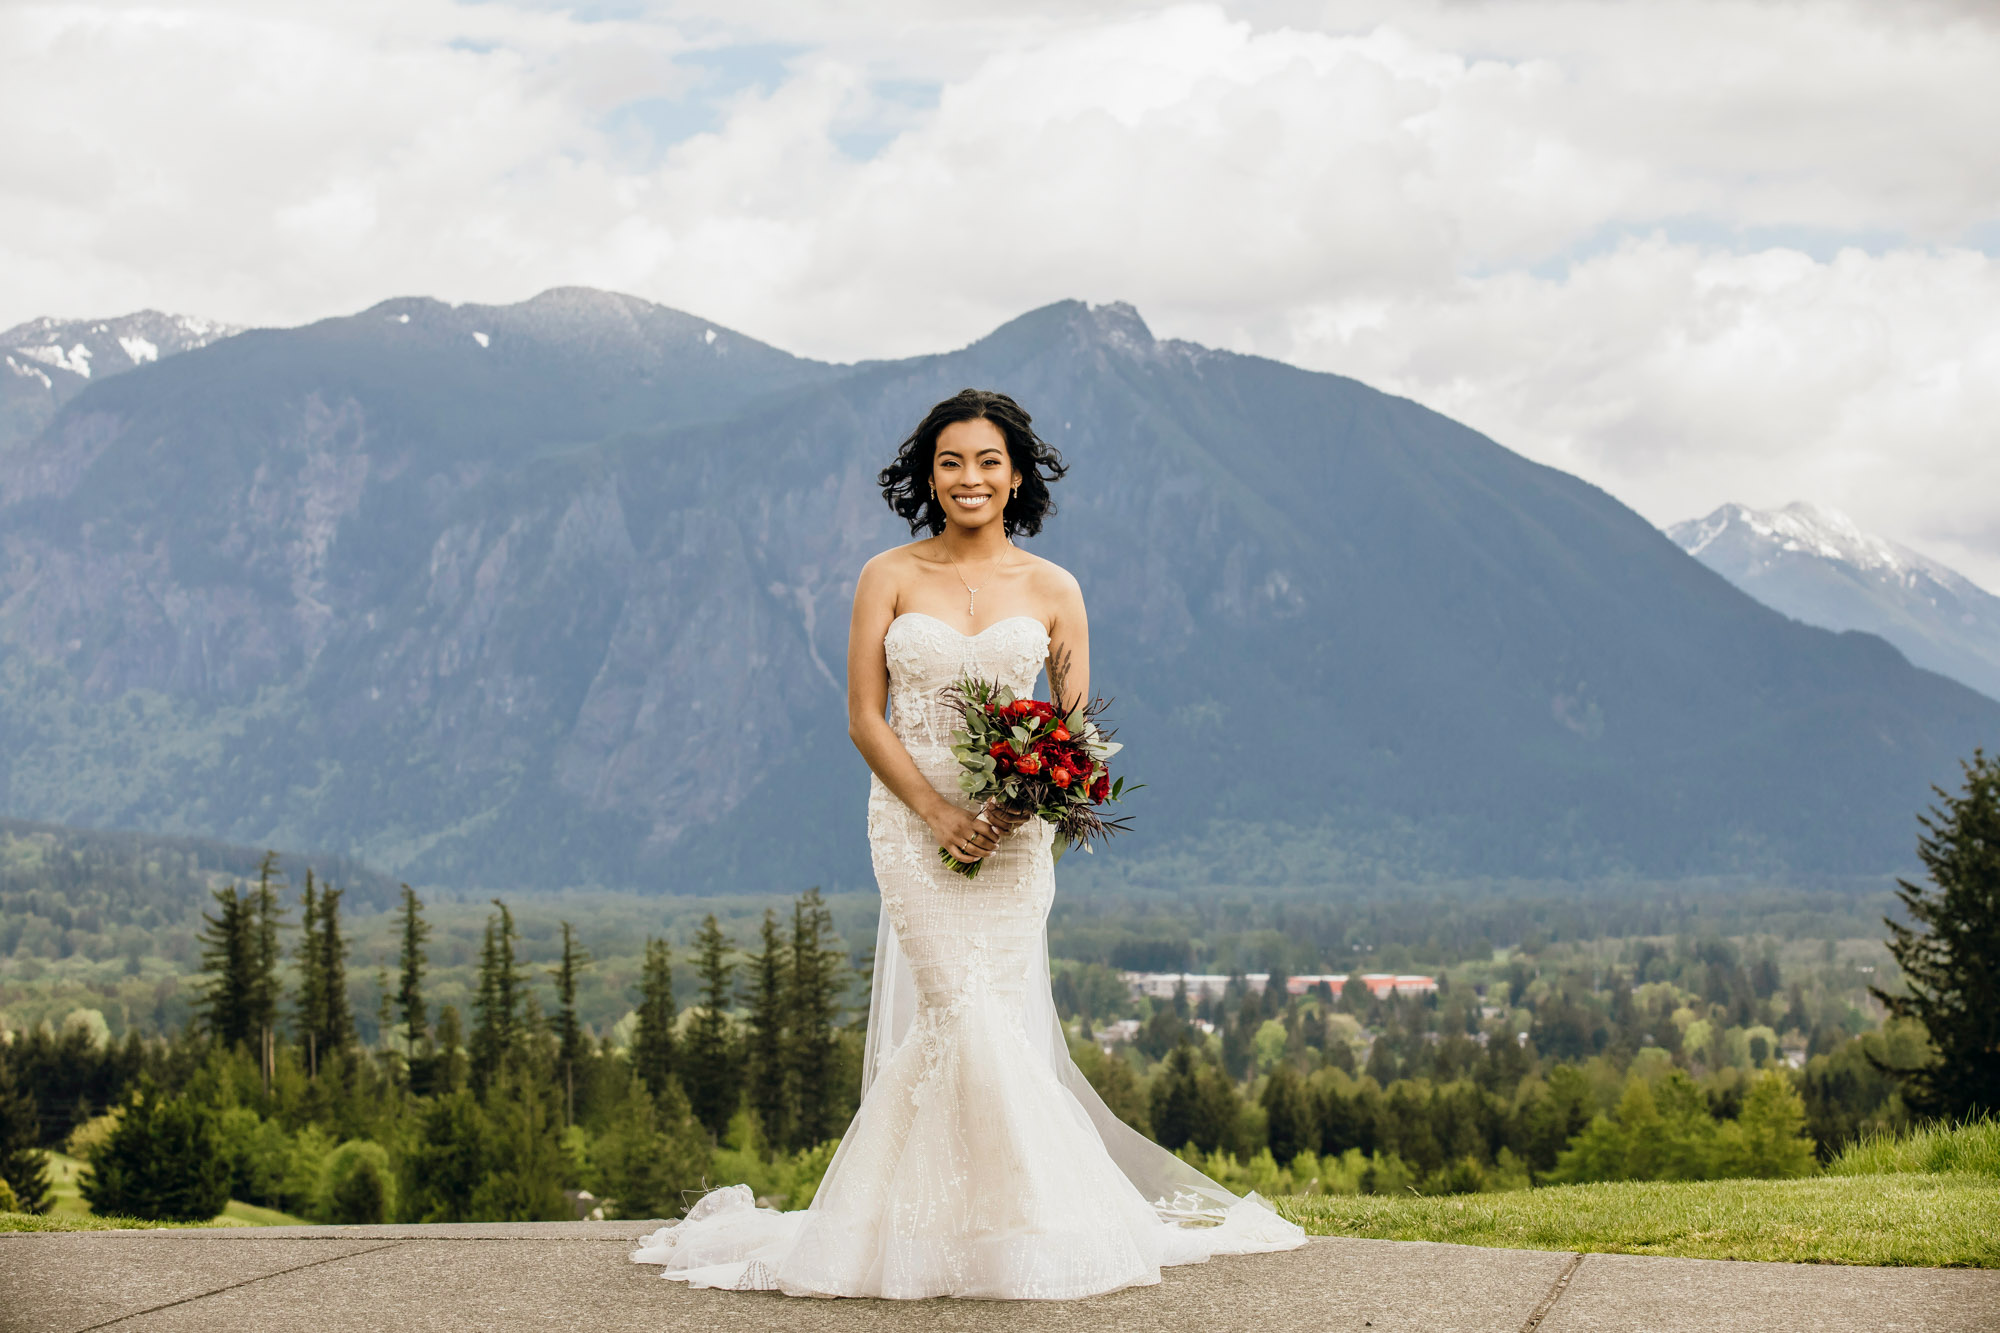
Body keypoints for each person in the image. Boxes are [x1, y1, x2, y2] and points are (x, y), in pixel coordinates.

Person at [631, 389, 1304, 1299]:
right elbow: (865, 718)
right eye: (951, 462)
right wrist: (939, 814)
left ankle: (996, 1225)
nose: (969, 478)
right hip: (911, 830)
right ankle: (1002, 1227)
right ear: (929, 475)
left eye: (987, 461)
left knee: (984, 1019)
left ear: (1016, 473)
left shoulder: (1055, 589)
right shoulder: (888, 575)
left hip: (1015, 847)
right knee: (959, 1012)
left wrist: (1021, 805)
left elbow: (1070, 738)